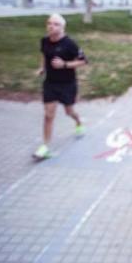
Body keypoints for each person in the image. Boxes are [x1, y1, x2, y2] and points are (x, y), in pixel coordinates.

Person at [34, 13, 88, 159]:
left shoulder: (70, 44)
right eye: (49, 23)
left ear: (62, 27)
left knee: (69, 111)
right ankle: (45, 147)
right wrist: (42, 68)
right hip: (50, 84)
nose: (51, 26)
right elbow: (44, 56)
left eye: (55, 24)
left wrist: (65, 64)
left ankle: (78, 121)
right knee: (48, 115)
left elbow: (83, 61)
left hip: (67, 84)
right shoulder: (44, 41)